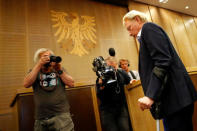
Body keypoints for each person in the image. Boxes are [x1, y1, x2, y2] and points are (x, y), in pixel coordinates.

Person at [123, 10, 197, 131]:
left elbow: (162, 61)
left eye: (129, 28)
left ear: (137, 19)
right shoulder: (146, 35)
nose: (130, 33)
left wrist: (150, 96)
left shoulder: (148, 28)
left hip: (175, 101)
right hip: (173, 102)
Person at [23, 48, 75, 131]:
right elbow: (26, 84)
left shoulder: (59, 70)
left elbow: (71, 84)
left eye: (50, 56)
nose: (48, 58)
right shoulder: (34, 71)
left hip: (61, 116)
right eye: (45, 57)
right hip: (41, 117)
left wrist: (59, 70)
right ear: (39, 60)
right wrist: (39, 65)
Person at [96, 56, 132, 131]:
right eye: (108, 66)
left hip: (121, 108)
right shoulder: (101, 77)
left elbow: (129, 82)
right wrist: (101, 86)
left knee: (125, 128)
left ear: (116, 65)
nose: (110, 69)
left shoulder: (122, 73)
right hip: (107, 110)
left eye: (112, 66)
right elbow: (99, 95)